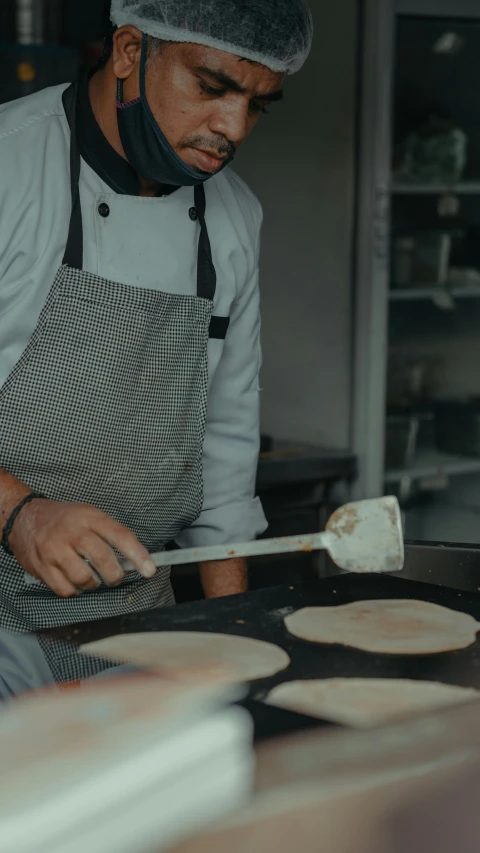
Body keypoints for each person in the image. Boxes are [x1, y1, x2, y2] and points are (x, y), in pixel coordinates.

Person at [0, 0, 313, 681]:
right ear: (128, 52)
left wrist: (239, 639)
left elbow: (224, 460)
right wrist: (20, 516)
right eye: (212, 85)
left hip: (136, 620)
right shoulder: (9, 171)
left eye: (258, 104)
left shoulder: (232, 219)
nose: (232, 128)